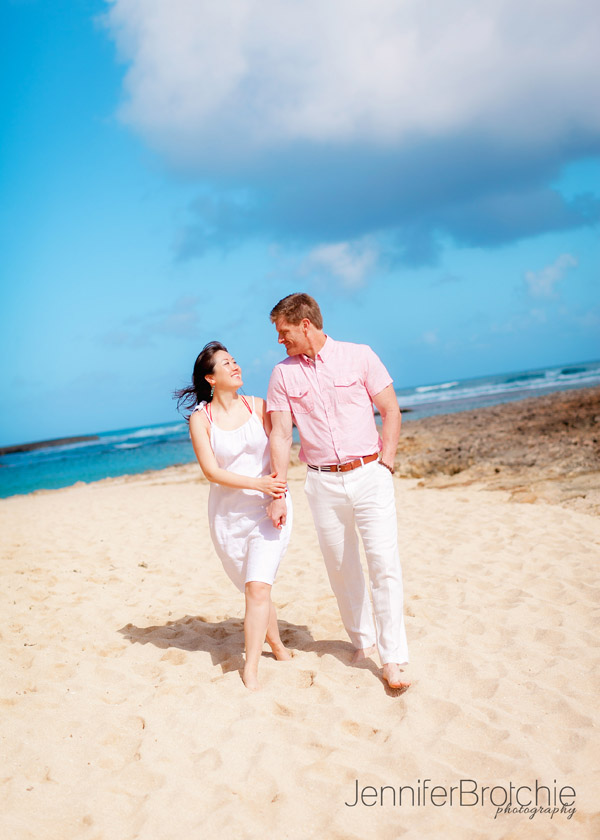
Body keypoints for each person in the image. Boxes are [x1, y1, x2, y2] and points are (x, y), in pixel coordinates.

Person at [266, 294, 410, 690]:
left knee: (383, 563)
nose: (281, 340)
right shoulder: (282, 375)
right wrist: (278, 490)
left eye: (284, 332)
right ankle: (362, 642)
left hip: (369, 473)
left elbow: (391, 409)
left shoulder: (360, 355)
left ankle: (393, 658)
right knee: (341, 567)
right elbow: (279, 433)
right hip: (322, 481)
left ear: (305, 324)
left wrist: (388, 460)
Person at [175, 341, 293, 691]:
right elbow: (211, 472)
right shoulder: (201, 419)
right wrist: (255, 483)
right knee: (254, 587)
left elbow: (281, 448)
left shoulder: (259, 406)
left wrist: (278, 494)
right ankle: (277, 644)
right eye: (226, 364)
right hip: (229, 518)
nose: (236, 367)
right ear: (210, 378)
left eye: (236, 361)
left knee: (257, 587)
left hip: (269, 507)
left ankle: (251, 668)